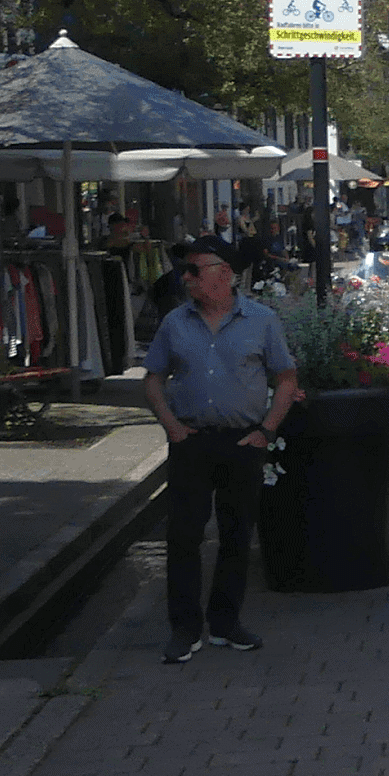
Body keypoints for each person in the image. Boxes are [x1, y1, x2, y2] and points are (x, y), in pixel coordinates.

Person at [142, 235, 298, 663]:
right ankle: (185, 629)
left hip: (241, 440)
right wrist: (170, 425)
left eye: (196, 270)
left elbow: (286, 379)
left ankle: (226, 624)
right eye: (186, 270)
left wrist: (265, 430)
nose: (186, 278)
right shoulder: (176, 322)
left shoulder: (261, 320)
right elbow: (153, 378)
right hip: (191, 440)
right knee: (184, 536)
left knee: (236, 535)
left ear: (224, 275)